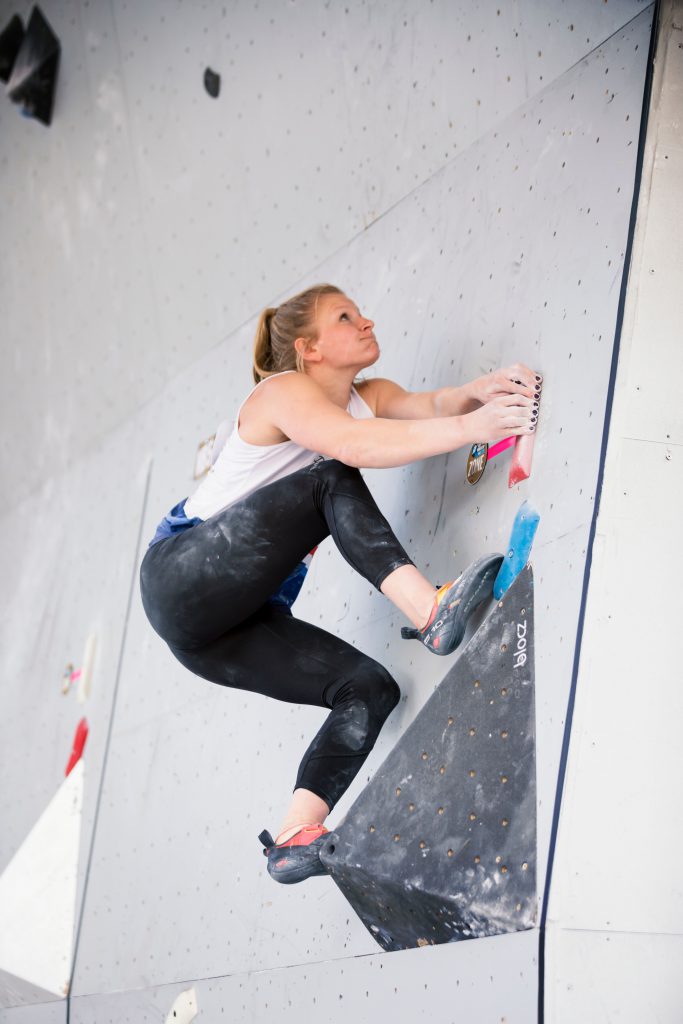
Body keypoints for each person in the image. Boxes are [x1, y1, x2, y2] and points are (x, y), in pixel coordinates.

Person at [139, 283, 541, 885]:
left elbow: (431, 409)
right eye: (345, 317)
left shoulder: (366, 397)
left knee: (368, 688)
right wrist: (476, 427)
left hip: (224, 632)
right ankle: (430, 611)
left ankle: (294, 836)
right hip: (180, 579)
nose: (366, 320)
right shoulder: (280, 393)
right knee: (332, 475)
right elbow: (353, 446)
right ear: (309, 349)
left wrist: (477, 397)